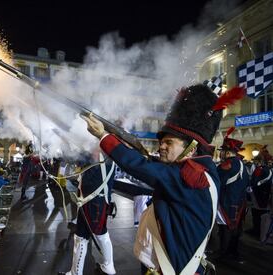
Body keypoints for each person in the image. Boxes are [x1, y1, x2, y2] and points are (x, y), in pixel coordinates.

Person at [82, 84, 244, 274]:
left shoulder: (191, 176)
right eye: (161, 142)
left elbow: (140, 166)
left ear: (191, 148)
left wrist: (103, 136)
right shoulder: (198, 168)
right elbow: (155, 165)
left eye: (168, 142)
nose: (162, 147)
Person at [58, 151, 116, 275]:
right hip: (98, 202)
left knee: (82, 237)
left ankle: (76, 273)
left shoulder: (94, 154)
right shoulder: (109, 156)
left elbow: (71, 157)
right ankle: (108, 267)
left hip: (92, 204)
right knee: (100, 234)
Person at [216, 127, 249, 260]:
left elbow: (217, 179)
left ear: (228, 152)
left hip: (228, 201)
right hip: (239, 200)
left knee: (226, 229)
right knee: (235, 228)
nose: (221, 154)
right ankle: (233, 251)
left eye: (223, 151)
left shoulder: (228, 164)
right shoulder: (240, 163)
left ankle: (224, 253)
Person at [248, 146, 272, 239]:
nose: (254, 162)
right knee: (255, 214)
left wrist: (252, 186)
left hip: (262, 196)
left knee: (260, 215)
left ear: (260, 161)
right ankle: (255, 229)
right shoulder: (259, 169)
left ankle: (259, 232)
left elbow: (259, 182)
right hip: (256, 194)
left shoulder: (265, 170)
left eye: (256, 161)